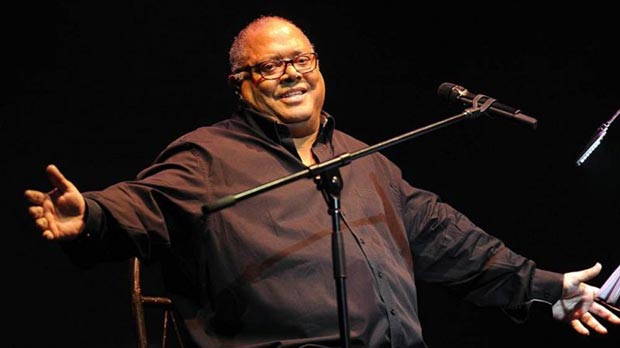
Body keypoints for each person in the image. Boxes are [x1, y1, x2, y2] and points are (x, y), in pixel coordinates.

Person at [24, 15, 620, 348]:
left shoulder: (369, 161)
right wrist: (91, 216)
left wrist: (547, 286)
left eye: (301, 61)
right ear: (241, 85)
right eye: (270, 66)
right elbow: (143, 205)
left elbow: (449, 241)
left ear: (319, 69)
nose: (290, 75)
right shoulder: (208, 156)